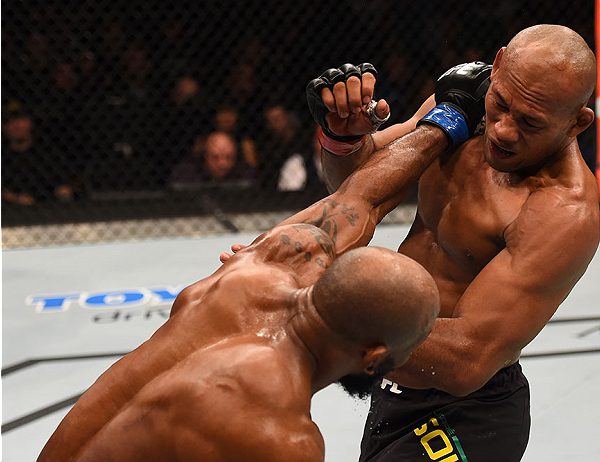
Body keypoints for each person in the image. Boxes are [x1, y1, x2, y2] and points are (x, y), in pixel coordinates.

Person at [37, 115, 444, 461]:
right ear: (374, 357)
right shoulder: (281, 436)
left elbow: (361, 197)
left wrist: (445, 121)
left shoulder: (266, 265)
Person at [305, 24, 600, 461]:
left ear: (577, 123)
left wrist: (324, 317)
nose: (502, 130)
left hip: (470, 413)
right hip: (394, 384)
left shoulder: (561, 210)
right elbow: (360, 185)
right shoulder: (464, 96)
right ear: (497, 65)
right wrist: (345, 138)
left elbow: (468, 356)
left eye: (530, 122)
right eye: (500, 103)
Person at [168, 131, 257, 190]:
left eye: (229, 157)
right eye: (215, 157)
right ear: (206, 157)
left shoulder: (245, 171)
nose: (223, 164)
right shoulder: (186, 172)